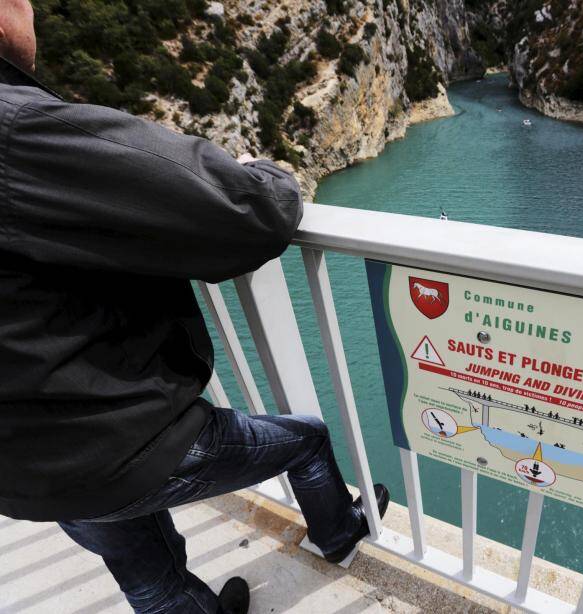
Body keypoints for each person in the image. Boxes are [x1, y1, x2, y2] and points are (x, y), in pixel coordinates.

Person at [0, 3, 388, 613]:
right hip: (115, 447)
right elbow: (245, 214)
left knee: (152, 581)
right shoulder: (17, 131)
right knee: (307, 440)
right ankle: (339, 534)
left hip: (24, 472)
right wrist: (273, 174)